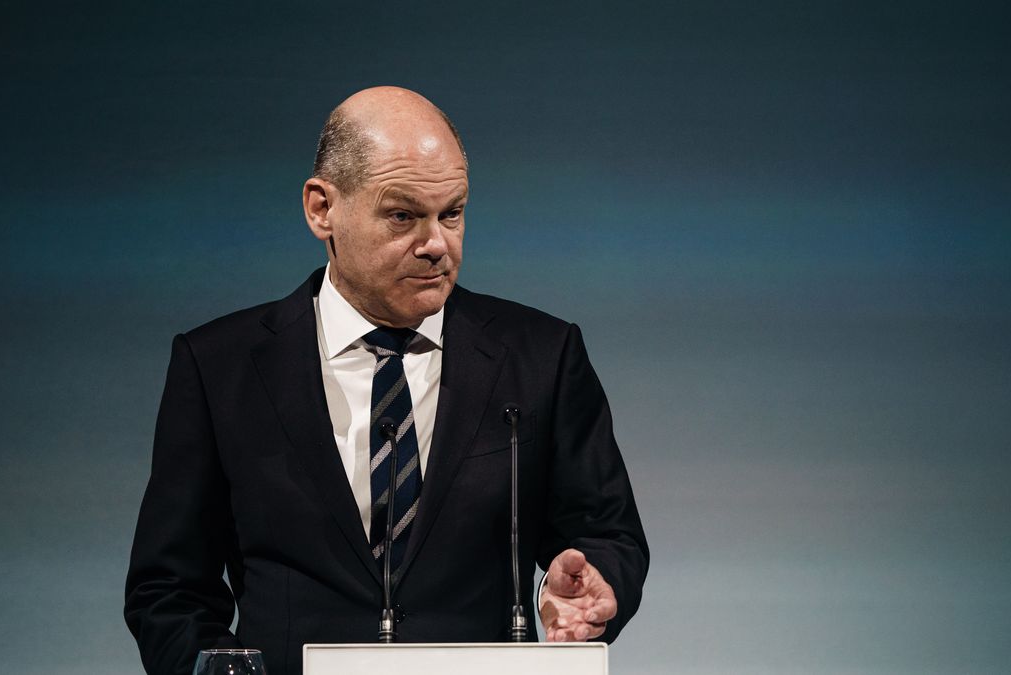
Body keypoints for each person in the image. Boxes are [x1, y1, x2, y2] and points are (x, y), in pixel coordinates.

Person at [124, 86, 649, 675]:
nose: (435, 245)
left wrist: (591, 587)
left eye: (451, 213)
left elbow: (608, 535)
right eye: (403, 215)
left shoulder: (541, 355)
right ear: (322, 209)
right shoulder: (220, 365)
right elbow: (167, 589)